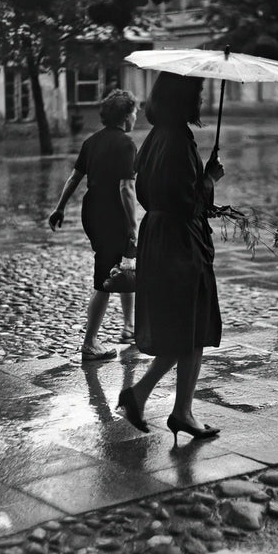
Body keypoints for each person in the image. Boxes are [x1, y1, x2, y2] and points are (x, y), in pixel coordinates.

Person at [116, 72, 225, 442]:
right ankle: (173, 408)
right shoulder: (179, 141)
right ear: (183, 98)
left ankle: (163, 404)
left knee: (187, 328)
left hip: (159, 237)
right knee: (190, 328)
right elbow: (187, 201)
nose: (202, 99)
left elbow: (148, 192)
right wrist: (209, 179)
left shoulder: (156, 138)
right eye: (198, 92)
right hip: (181, 242)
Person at [48, 88, 138, 360]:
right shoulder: (126, 144)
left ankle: (128, 328)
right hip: (113, 215)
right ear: (125, 116)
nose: (136, 116)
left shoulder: (91, 142)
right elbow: (126, 188)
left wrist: (59, 207)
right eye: (134, 112)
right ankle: (90, 342)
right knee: (104, 278)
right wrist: (133, 227)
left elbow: (74, 178)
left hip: (92, 212)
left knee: (122, 265)